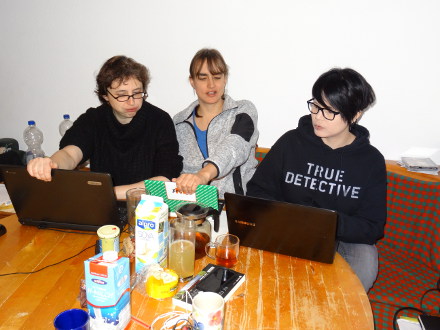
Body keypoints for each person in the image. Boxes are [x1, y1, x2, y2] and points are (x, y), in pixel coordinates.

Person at [246, 68, 387, 292]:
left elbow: (372, 226)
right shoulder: (291, 142)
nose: (318, 116)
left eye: (329, 111)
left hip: (344, 239)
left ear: (355, 114)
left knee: (366, 262)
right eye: (316, 106)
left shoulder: (370, 161)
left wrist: (327, 223)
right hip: (290, 228)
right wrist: (287, 216)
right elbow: (257, 191)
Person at [27, 55, 183, 200]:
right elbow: (70, 153)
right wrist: (51, 163)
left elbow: (163, 180)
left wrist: (107, 193)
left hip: (147, 207)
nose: (132, 102)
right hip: (101, 204)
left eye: (137, 93)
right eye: (122, 95)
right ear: (105, 96)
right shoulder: (94, 119)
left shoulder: (159, 120)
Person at [172, 48, 259, 198]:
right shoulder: (178, 122)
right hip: (192, 209)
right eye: (203, 77)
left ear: (225, 79)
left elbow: (235, 146)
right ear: (192, 81)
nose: (211, 85)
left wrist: (203, 175)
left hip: (235, 206)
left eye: (217, 77)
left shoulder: (243, 110)